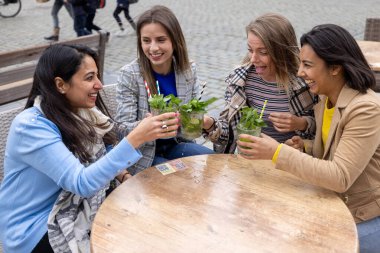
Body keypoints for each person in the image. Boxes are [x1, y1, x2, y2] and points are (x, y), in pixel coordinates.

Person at [0, 44, 179, 253]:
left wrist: (124, 176)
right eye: (89, 78)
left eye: (98, 76)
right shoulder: (31, 126)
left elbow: (105, 150)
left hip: (75, 207)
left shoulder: (80, 113)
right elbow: (81, 183)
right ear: (61, 85)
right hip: (33, 230)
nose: (100, 85)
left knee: (151, 220)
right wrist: (135, 138)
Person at [237, 24, 380, 253]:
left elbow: (340, 176)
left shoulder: (366, 109)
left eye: (307, 65)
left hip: (362, 217)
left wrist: (277, 152)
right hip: (334, 205)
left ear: (335, 68)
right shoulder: (326, 98)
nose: (300, 72)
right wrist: (304, 145)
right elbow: (333, 151)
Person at [115, 5, 214, 176]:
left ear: (175, 41)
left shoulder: (188, 71)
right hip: (144, 153)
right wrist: (145, 126)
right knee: (173, 177)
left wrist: (194, 119)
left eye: (161, 40)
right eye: (146, 40)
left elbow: (192, 121)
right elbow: (121, 129)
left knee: (213, 162)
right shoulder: (130, 74)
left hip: (177, 143)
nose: (153, 48)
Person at [202, 13, 317, 154]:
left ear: (282, 52)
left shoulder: (304, 84)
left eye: (263, 52)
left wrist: (301, 124)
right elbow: (229, 135)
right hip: (250, 159)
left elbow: (322, 131)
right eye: (250, 50)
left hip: (288, 161)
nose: (253, 59)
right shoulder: (240, 81)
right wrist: (209, 125)